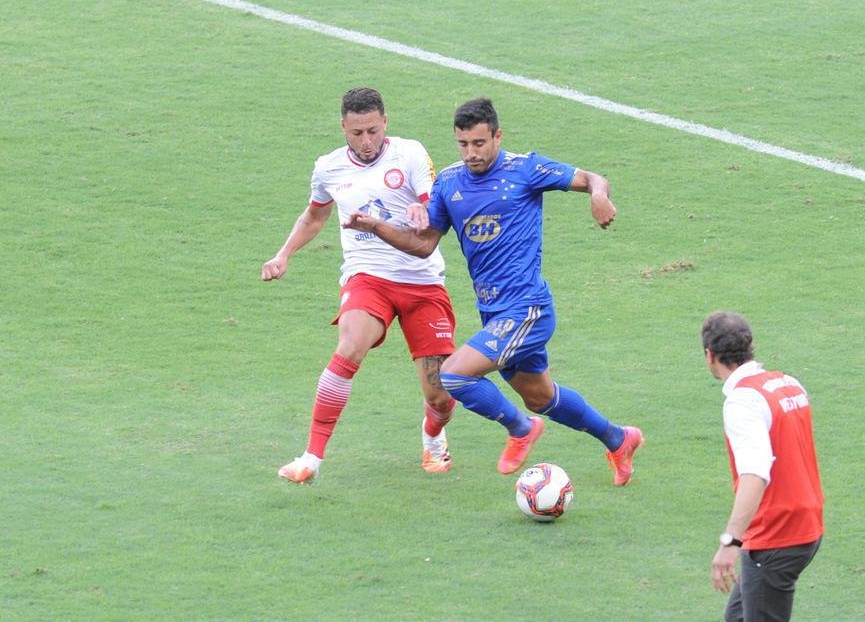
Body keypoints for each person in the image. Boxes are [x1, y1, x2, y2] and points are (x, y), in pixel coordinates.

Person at [343, 97, 644, 485]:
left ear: (498, 136)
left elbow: (592, 179)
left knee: (453, 377)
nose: (471, 153)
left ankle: (521, 429)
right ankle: (619, 439)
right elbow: (423, 245)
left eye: (480, 144)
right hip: (495, 313)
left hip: (528, 309)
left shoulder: (526, 169)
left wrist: (599, 197)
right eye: (463, 144)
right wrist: (377, 227)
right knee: (541, 396)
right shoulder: (449, 182)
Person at [261, 87, 458, 483]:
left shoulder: (411, 154)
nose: (366, 142)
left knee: (441, 393)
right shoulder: (329, 168)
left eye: (372, 131)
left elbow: (432, 200)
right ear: (343, 128)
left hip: (421, 281)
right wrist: (283, 255)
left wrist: (423, 207)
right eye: (356, 133)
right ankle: (311, 458)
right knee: (350, 347)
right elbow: (314, 217)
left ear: (385, 122)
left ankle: (433, 435)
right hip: (367, 277)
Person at [703, 311, 824, 622]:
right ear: (750, 346)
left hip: (776, 537)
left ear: (710, 356)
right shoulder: (788, 383)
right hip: (805, 523)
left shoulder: (743, 402)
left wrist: (730, 541)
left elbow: (755, 474)